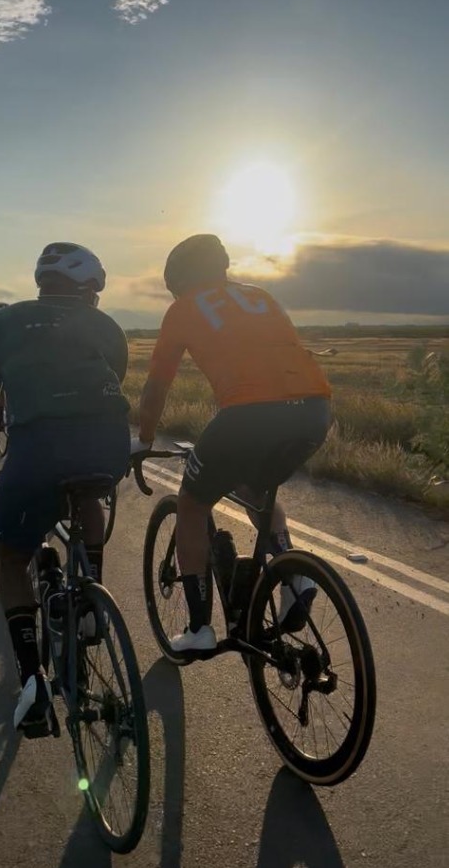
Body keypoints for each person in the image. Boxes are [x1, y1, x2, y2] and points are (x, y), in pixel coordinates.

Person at [132, 234, 332, 657]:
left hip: (248, 416)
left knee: (191, 505)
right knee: (256, 489)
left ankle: (198, 629)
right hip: (314, 410)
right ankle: (291, 571)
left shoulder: (183, 309)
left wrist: (144, 440)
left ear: (177, 281)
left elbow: (156, 388)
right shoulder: (260, 295)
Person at [0, 243, 130, 738]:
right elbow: (111, 382)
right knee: (88, 495)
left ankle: (32, 679)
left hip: (38, 451)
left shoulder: (1, 324)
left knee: (11, 559)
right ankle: (92, 605)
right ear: (90, 289)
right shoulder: (107, 325)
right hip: (107, 445)